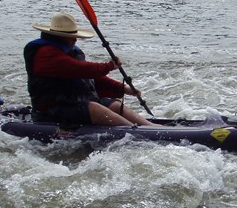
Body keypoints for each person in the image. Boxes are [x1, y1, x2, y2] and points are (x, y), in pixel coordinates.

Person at [24, 12, 157, 127]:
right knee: (94, 108)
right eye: (71, 37)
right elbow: (79, 69)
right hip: (51, 110)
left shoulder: (69, 50)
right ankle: (138, 132)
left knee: (115, 105)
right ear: (58, 36)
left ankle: (152, 127)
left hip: (74, 102)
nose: (75, 40)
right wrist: (109, 66)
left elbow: (90, 79)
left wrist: (123, 89)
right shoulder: (46, 54)